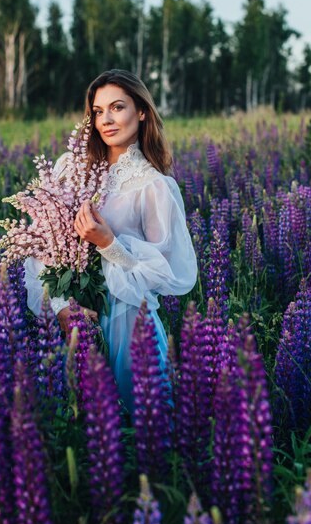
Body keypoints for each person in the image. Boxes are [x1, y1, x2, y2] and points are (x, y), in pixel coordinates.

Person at [24, 69, 197, 413]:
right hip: (73, 319)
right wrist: (59, 308)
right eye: (98, 111)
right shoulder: (67, 168)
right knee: (76, 434)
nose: (106, 119)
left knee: (139, 433)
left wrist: (109, 244)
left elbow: (170, 274)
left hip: (128, 324)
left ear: (142, 111)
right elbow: (39, 247)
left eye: (117, 107)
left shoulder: (154, 186)